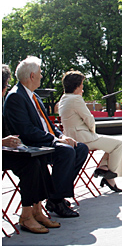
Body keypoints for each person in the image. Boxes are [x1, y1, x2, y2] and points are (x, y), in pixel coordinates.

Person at [3, 56, 88, 218]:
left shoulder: (33, 96)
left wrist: (61, 135)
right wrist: (56, 140)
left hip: (47, 141)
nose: (42, 76)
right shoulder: (16, 96)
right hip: (33, 145)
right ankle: (56, 200)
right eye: (40, 73)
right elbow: (26, 131)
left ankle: (54, 196)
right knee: (66, 151)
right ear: (32, 76)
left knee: (81, 148)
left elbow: (48, 125)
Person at [2, 64, 60, 233]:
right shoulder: (13, 97)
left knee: (37, 157)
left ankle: (37, 209)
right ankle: (26, 215)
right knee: (30, 165)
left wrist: (11, 141)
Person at [58, 70, 122, 192]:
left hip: (71, 137)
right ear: (77, 86)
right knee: (118, 144)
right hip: (83, 138)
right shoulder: (76, 99)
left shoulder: (63, 99)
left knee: (111, 145)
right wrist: (93, 133)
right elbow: (89, 119)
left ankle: (104, 168)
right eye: (82, 85)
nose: (83, 88)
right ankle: (110, 173)